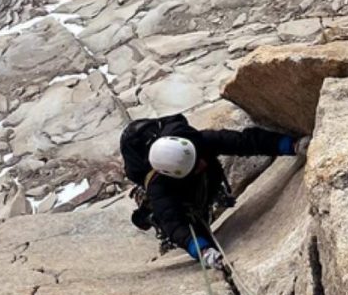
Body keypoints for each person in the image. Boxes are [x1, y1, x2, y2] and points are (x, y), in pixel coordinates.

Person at [120, 113, 308, 269]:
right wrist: (201, 249)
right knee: (185, 221)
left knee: (205, 182)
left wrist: (291, 145)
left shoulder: (199, 141)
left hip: (187, 166)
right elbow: (173, 223)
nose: (201, 164)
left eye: (198, 159)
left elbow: (244, 142)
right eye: (194, 167)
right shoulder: (158, 185)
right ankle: (150, 214)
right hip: (171, 191)